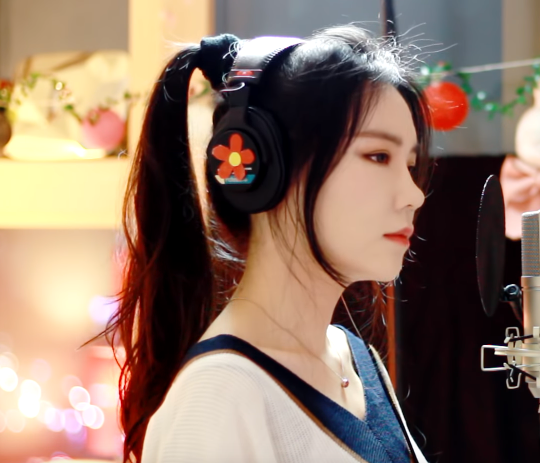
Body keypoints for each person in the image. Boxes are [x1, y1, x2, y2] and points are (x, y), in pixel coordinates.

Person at [99, 25, 432, 462]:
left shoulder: (356, 360)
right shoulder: (217, 400)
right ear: (265, 166)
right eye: (378, 156)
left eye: (410, 164)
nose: (413, 195)